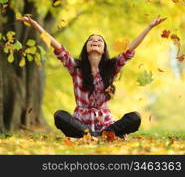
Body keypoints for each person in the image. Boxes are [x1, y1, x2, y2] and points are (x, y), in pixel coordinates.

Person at [18, 15, 166, 138]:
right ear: (86, 48)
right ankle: (93, 135)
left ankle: (102, 135)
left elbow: (130, 49)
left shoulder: (111, 67)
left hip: (106, 126)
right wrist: (37, 26)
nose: (95, 41)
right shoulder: (75, 67)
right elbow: (56, 46)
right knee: (59, 115)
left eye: (99, 40)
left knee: (135, 117)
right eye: (91, 40)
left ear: (103, 50)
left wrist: (149, 27)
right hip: (81, 126)